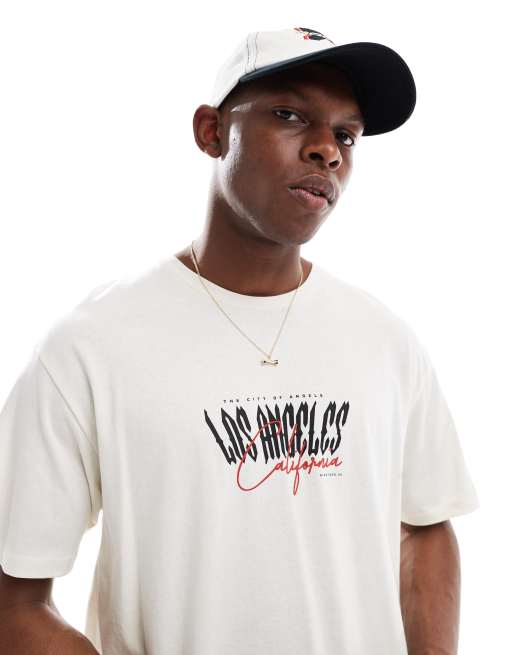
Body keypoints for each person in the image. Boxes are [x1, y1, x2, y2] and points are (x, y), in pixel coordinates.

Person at [0, 26, 479, 655]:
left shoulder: (385, 341)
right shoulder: (89, 347)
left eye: (346, 135)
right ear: (211, 132)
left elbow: (425, 527)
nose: (326, 151)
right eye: (289, 115)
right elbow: (14, 601)